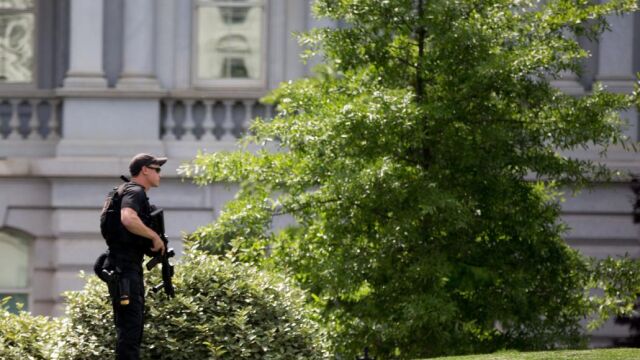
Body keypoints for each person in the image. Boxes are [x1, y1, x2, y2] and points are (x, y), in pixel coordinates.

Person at [108, 153, 167, 360]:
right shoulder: (135, 192)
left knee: (127, 332)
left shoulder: (120, 192)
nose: (160, 174)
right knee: (130, 333)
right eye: (157, 169)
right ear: (145, 170)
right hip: (126, 270)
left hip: (120, 267)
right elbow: (128, 218)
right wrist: (154, 236)